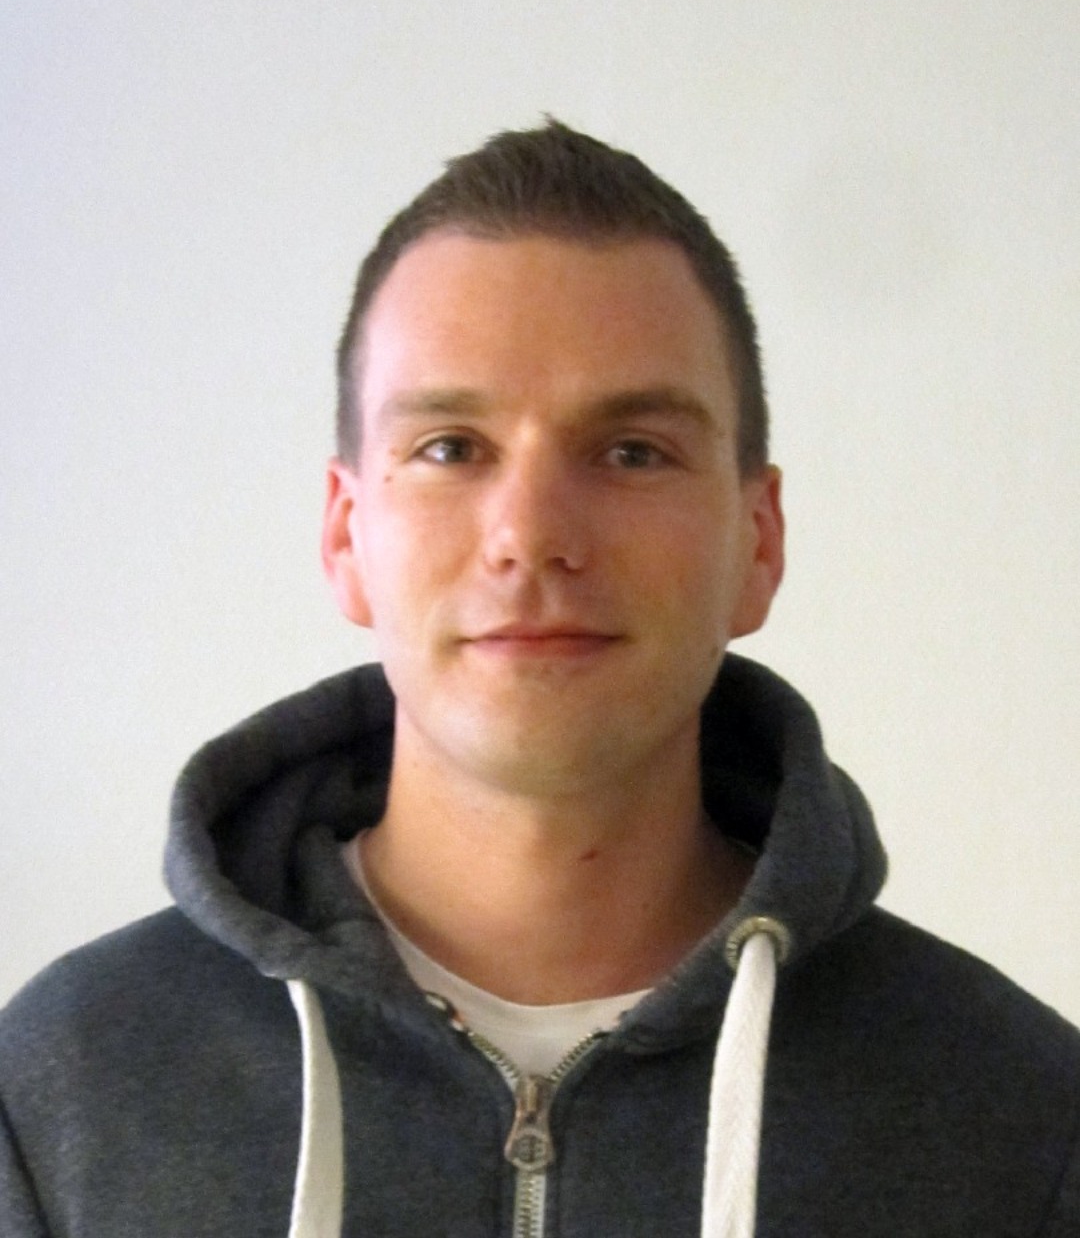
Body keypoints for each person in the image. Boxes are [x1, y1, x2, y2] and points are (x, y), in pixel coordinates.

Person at [1, 121, 1077, 1238]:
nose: (531, 535)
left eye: (632, 451)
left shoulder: (1021, 1123)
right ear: (345, 534)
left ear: (757, 542)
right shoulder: (64, 1091)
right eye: (451, 447)